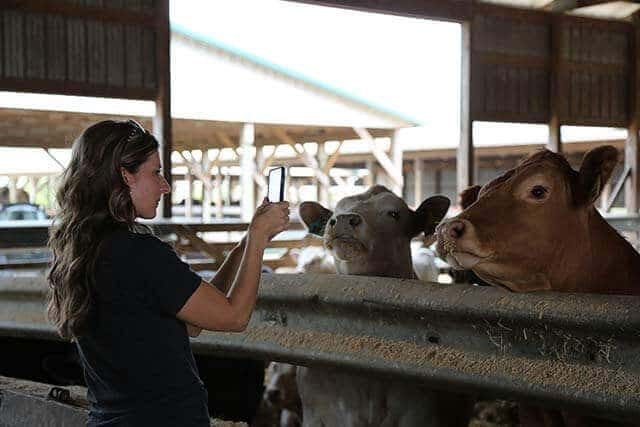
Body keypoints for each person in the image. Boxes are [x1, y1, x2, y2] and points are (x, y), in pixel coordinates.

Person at [46, 119, 289, 427]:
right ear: (125, 175)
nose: (166, 185)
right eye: (156, 172)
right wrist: (257, 240)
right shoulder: (140, 252)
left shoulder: (85, 251)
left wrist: (247, 243)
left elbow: (194, 323)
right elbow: (235, 316)